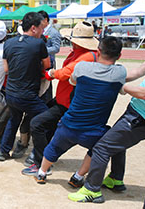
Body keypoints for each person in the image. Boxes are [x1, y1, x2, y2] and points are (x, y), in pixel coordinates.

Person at [35, 37, 125, 185]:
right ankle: (78, 176)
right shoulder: (119, 73)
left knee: (54, 147)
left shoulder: (82, 67)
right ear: (119, 55)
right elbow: (125, 83)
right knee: (101, 147)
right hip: (94, 131)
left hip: (68, 124)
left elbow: (72, 81)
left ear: (99, 51)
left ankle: (42, 173)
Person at [22, 21, 99, 176]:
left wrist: (48, 73)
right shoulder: (78, 52)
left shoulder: (88, 56)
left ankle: (41, 162)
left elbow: (66, 73)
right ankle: (45, 155)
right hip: (62, 98)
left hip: (69, 103)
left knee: (37, 124)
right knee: (46, 124)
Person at [68, 58, 145, 203]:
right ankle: (115, 178)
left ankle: (92, 190)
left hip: (142, 117)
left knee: (101, 148)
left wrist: (122, 87)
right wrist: (110, 76)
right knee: (116, 142)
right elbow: (140, 70)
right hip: (136, 112)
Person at [0, 12, 50, 162]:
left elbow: (6, 69)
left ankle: (3, 151)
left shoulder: (8, 43)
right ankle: (40, 156)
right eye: (41, 28)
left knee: (14, 119)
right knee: (47, 118)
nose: (42, 31)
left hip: (11, 92)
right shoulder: (39, 44)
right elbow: (47, 65)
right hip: (28, 95)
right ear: (33, 28)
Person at [13, 10, 63, 159]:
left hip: (45, 74)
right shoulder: (30, 36)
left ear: (46, 21)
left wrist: (40, 51)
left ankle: (38, 148)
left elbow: (56, 49)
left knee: (42, 109)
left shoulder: (52, 33)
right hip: (29, 79)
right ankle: (24, 143)